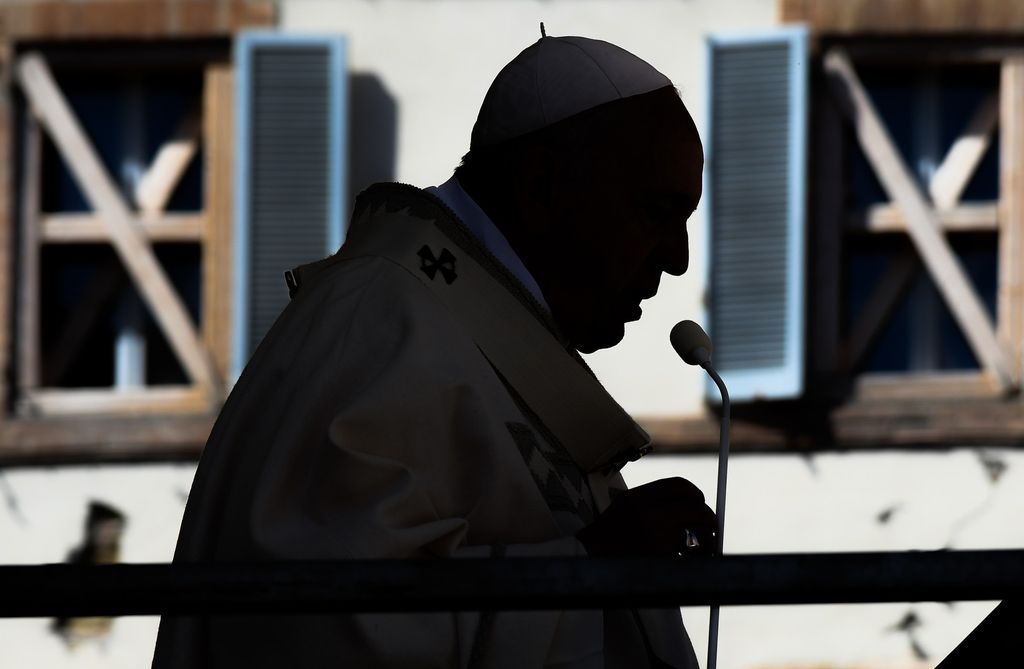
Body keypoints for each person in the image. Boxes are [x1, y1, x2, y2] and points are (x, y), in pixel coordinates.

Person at [153, 32, 712, 669]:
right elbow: (324, 629)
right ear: (543, 190)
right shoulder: (374, 323)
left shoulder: (469, 333)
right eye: (655, 212)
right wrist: (594, 564)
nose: (677, 258)